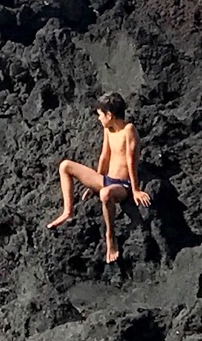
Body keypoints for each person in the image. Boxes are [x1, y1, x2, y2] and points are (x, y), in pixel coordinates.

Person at [46, 91, 150, 262]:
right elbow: (104, 156)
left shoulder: (128, 130)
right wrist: (93, 184)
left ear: (109, 114)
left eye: (100, 114)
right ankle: (67, 212)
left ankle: (110, 236)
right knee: (65, 166)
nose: (98, 118)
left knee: (105, 194)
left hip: (122, 185)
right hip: (106, 179)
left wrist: (136, 189)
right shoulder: (108, 130)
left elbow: (131, 162)